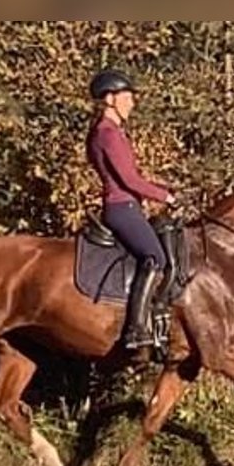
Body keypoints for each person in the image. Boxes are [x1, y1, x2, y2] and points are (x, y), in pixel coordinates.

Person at [85, 68, 177, 349]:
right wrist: (166, 197)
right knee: (155, 257)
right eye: (128, 97)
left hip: (126, 205)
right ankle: (136, 329)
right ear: (110, 99)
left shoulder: (108, 132)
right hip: (121, 207)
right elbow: (129, 180)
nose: (132, 103)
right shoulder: (108, 133)